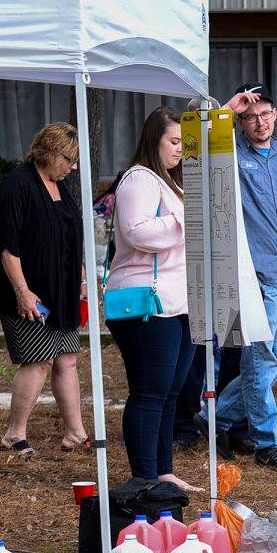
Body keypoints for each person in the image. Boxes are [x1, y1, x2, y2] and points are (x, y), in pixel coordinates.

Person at [213, 85, 277, 472]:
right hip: (254, 275)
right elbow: (204, 142)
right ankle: (266, 442)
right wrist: (229, 108)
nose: (260, 122)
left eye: (265, 114)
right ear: (241, 121)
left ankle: (213, 417)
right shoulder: (230, 156)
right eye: (251, 116)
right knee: (260, 360)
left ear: (275, 114)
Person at [103, 108, 202, 491]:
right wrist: (184, 220)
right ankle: (143, 477)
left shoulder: (172, 181)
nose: (180, 150)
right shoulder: (139, 178)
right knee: (149, 392)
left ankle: (162, 471)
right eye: (173, 142)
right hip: (146, 301)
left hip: (178, 302)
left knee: (169, 393)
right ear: (153, 139)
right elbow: (137, 232)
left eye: (183, 143)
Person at [0, 123, 85, 457]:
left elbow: (69, 233)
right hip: (27, 291)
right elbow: (8, 248)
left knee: (67, 358)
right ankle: (15, 434)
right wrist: (23, 292)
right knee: (38, 360)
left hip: (62, 290)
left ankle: (75, 433)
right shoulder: (18, 184)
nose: (73, 167)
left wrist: (81, 276)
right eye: (69, 159)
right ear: (49, 152)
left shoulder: (60, 184)